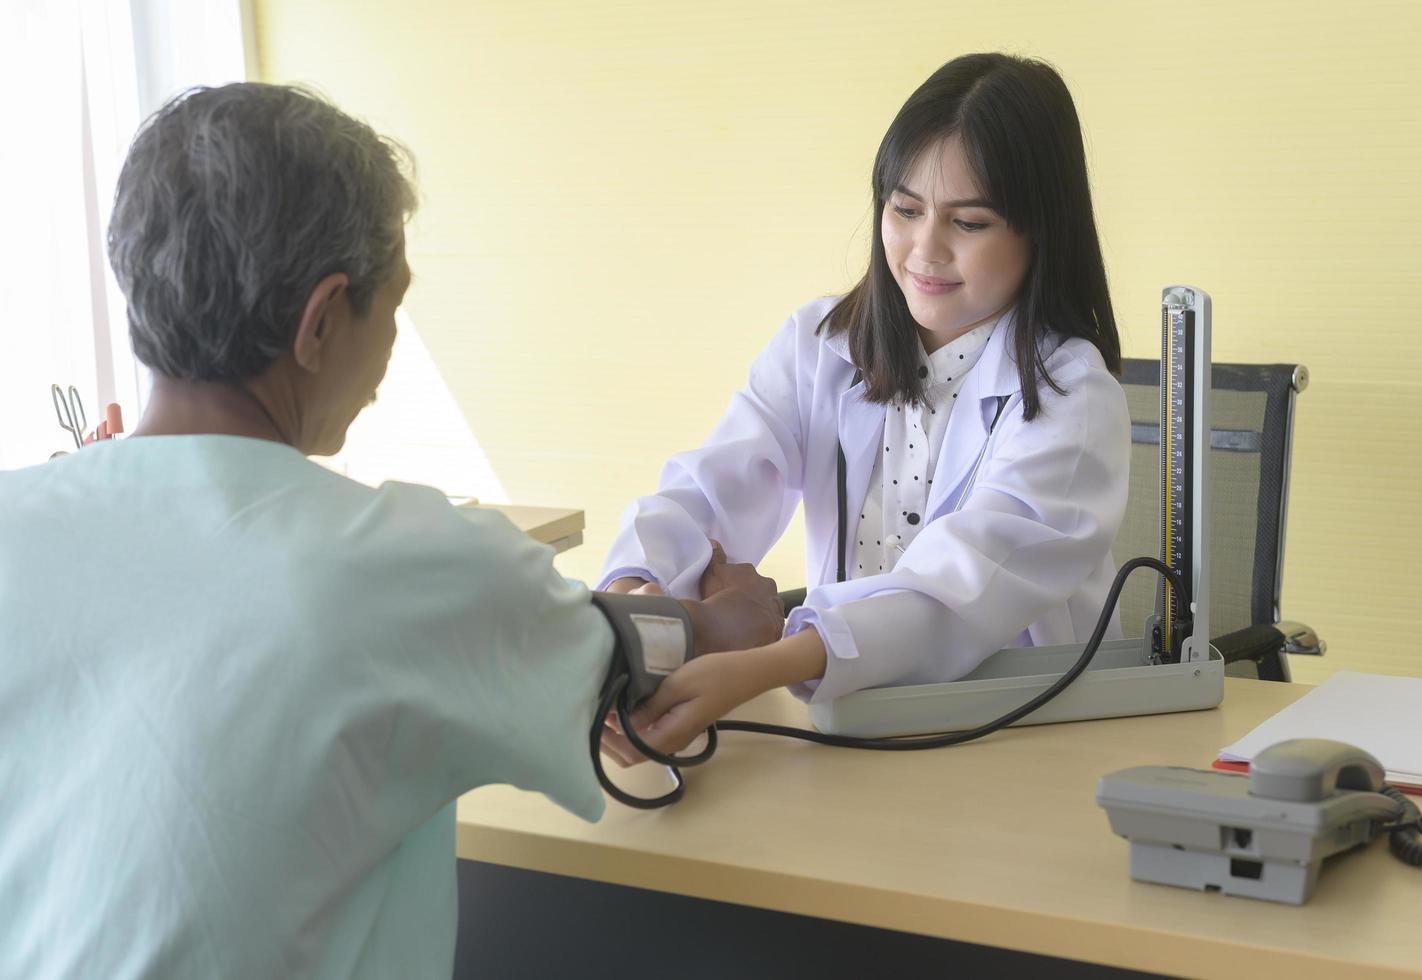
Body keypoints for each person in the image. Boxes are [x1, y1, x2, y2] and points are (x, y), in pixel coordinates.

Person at [0, 83, 781, 978]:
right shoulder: (393, 562)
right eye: (393, 305)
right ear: (323, 319)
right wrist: (741, 618)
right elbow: (640, 653)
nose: (392, 344)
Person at [599, 53, 1130, 767]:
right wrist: (635, 607)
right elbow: (710, 488)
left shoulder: (1074, 397)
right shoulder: (820, 344)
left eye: (967, 222)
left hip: (1012, 732)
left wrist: (760, 664)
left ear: (1040, 229)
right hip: (846, 721)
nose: (924, 250)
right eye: (904, 209)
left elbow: (954, 590)